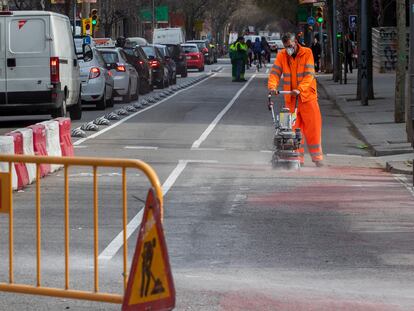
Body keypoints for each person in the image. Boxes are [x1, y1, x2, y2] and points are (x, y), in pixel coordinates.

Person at [267, 33, 324, 167]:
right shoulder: (282, 55)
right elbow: (275, 73)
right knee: (292, 130)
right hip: (291, 99)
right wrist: (272, 87)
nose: (288, 49)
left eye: (290, 46)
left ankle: (317, 158)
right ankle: (298, 158)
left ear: (296, 42)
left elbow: (309, 75)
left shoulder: (307, 53)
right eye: (286, 47)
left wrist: (300, 89)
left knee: (313, 129)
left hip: (308, 97)